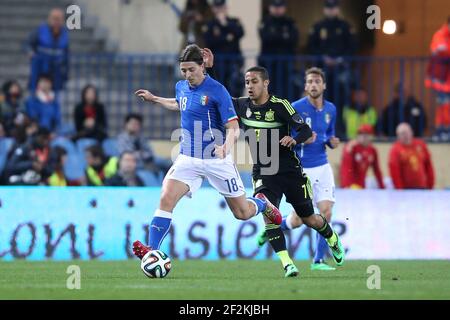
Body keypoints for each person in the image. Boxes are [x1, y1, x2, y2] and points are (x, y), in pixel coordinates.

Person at [131, 44, 282, 263]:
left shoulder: (218, 90)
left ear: (202, 66)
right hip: (188, 158)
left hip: (216, 160)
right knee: (166, 198)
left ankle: (261, 203)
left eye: (191, 69)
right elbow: (179, 103)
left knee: (242, 213)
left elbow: (233, 127)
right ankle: (152, 251)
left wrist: (225, 148)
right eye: (184, 71)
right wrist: (155, 99)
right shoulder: (181, 86)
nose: (187, 75)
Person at [204, 48, 344, 276]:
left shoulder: (280, 106)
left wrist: (294, 137)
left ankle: (331, 236)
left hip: (290, 171)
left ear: (266, 83)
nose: (249, 86)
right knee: (270, 217)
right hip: (264, 171)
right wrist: (210, 70)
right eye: (247, 82)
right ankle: (287, 263)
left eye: (254, 81)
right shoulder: (241, 106)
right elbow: (220, 95)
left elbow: (305, 129)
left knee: (308, 218)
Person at [259, 67, 342, 271]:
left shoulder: (331, 109)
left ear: (324, 85)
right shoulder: (295, 108)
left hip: (322, 166)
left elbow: (328, 134)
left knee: (327, 212)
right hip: (302, 169)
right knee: (299, 220)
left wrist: (332, 141)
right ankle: (276, 227)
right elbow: (285, 138)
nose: (313, 85)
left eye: (317, 81)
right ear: (305, 86)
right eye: (310, 82)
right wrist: (301, 140)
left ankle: (318, 261)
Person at [307, 0, 357, 138]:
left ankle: (339, 131)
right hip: (322, 72)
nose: (331, 10)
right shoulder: (318, 27)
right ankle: (320, 132)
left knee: (340, 102)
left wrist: (340, 59)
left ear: (338, 9)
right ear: (324, 9)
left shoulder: (345, 26)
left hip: (340, 70)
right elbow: (311, 46)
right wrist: (323, 58)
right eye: (328, 8)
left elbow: (352, 47)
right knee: (320, 102)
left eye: (333, 8)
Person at [257, 0, 299, 101]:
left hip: (285, 64)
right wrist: (283, 37)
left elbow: (294, 39)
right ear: (270, 8)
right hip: (268, 65)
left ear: (284, 8)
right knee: (268, 91)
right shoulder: (265, 22)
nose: (277, 9)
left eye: (279, 7)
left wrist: (275, 36)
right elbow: (266, 38)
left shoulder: (290, 22)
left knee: (286, 91)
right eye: (275, 7)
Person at [202, 0, 244, 97]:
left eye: (222, 7)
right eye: (217, 7)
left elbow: (240, 33)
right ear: (213, 9)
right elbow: (209, 41)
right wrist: (227, 38)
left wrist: (225, 24)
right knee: (218, 86)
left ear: (226, 7)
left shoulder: (234, 21)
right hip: (217, 63)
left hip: (233, 61)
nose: (219, 10)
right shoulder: (210, 24)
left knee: (234, 87)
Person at [28, 8, 69, 92]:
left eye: (59, 19)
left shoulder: (65, 34)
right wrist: (30, 52)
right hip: (40, 66)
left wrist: (65, 73)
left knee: (56, 92)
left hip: (57, 68)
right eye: (54, 18)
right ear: (49, 19)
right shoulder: (40, 31)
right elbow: (28, 44)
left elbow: (66, 54)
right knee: (36, 90)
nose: (56, 22)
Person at [425, 17, 450, 141]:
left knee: (446, 106)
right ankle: (442, 131)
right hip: (440, 78)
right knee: (443, 105)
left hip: (447, 79)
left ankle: (445, 131)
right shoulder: (440, 35)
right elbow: (439, 49)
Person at [389, 123, 434, 189]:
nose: (405, 135)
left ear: (412, 132)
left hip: (422, 187)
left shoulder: (421, 145)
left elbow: (429, 166)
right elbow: (394, 172)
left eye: (407, 132)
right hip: (406, 189)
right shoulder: (395, 150)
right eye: (402, 133)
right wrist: (399, 190)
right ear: (398, 136)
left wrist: (430, 185)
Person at [340, 124, 384, 189]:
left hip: (361, 186)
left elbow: (377, 170)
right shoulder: (351, 147)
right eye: (360, 134)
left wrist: (382, 187)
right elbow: (346, 169)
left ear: (371, 136)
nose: (363, 137)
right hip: (349, 186)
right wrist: (347, 186)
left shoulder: (372, 150)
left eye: (366, 135)